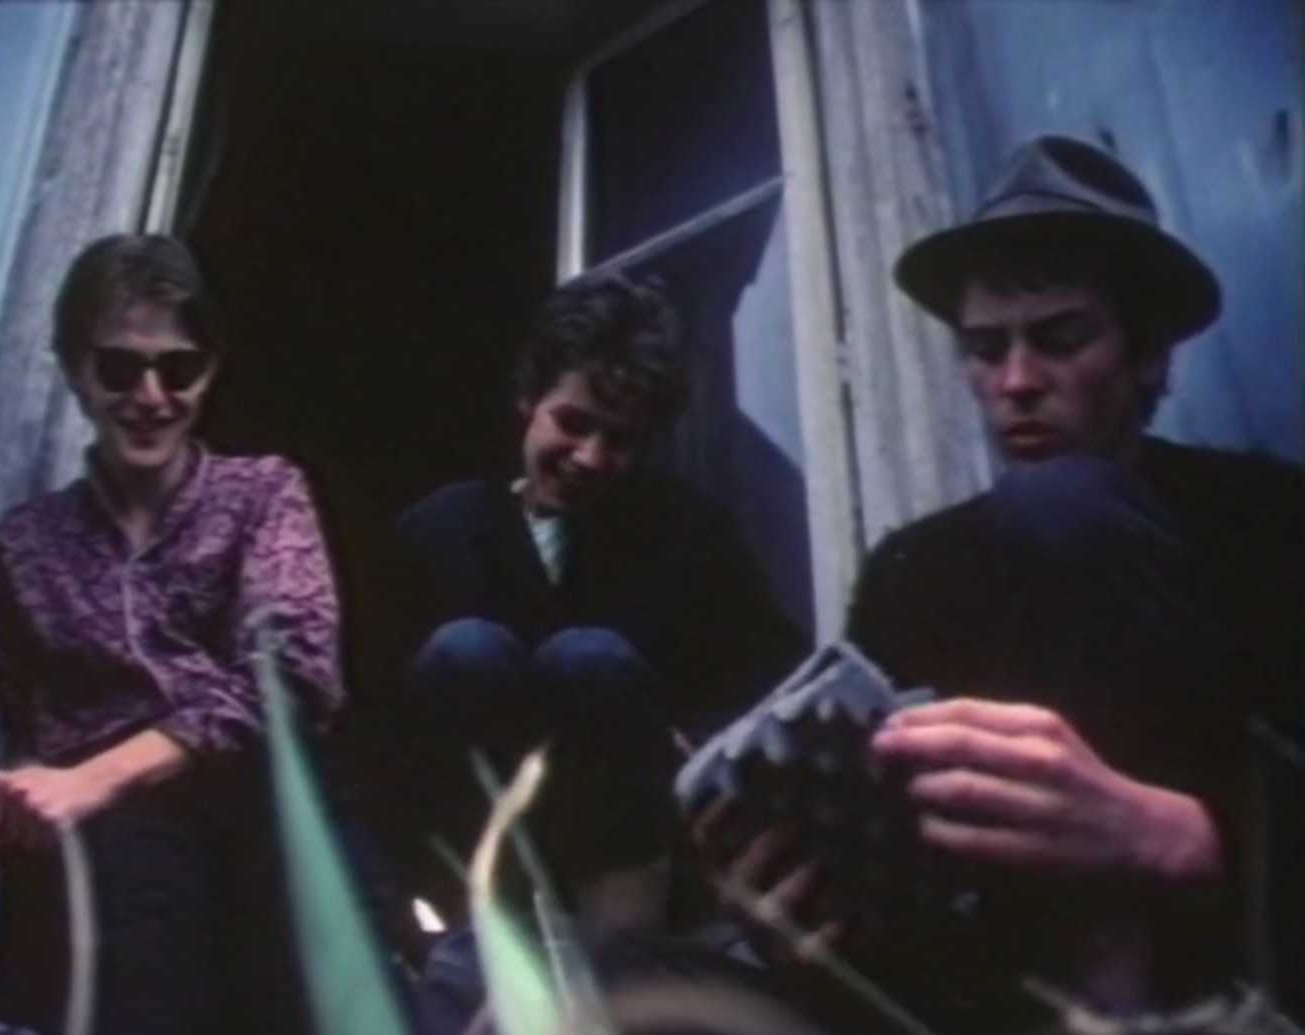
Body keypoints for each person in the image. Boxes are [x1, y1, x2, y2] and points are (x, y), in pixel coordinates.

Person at [696, 136, 1303, 1034]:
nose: (1015, 381)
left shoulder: (1269, 525)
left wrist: (1184, 836)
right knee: (611, 973)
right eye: (984, 349)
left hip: (1228, 976)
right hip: (976, 991)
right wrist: (802, 909)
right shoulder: (913, 571)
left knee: (1062, 503)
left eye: (1060, 338)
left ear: (1147, 356)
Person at [0, 234, 345, 1035]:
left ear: (210, 371)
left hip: (246, 821)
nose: (150, 395)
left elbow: (292, 674)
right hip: (95, 862)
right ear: (74, 370)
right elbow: (33, 731)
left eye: (178, 368)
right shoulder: (26, 545)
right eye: (119, 367)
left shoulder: (262, 494)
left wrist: (94, 779)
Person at [368, 273, 805, 931]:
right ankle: (478, 926)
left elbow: (769, 674)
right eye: (572, 424)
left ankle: (621, 944)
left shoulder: (688, 533)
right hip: (472, 848)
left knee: (588, 658)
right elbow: (376, 719)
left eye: (619, 439)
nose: (590, 458)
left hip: (625, 854)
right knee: (467, 650)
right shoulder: (437, 531)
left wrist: (693, 741)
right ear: (528, 399)